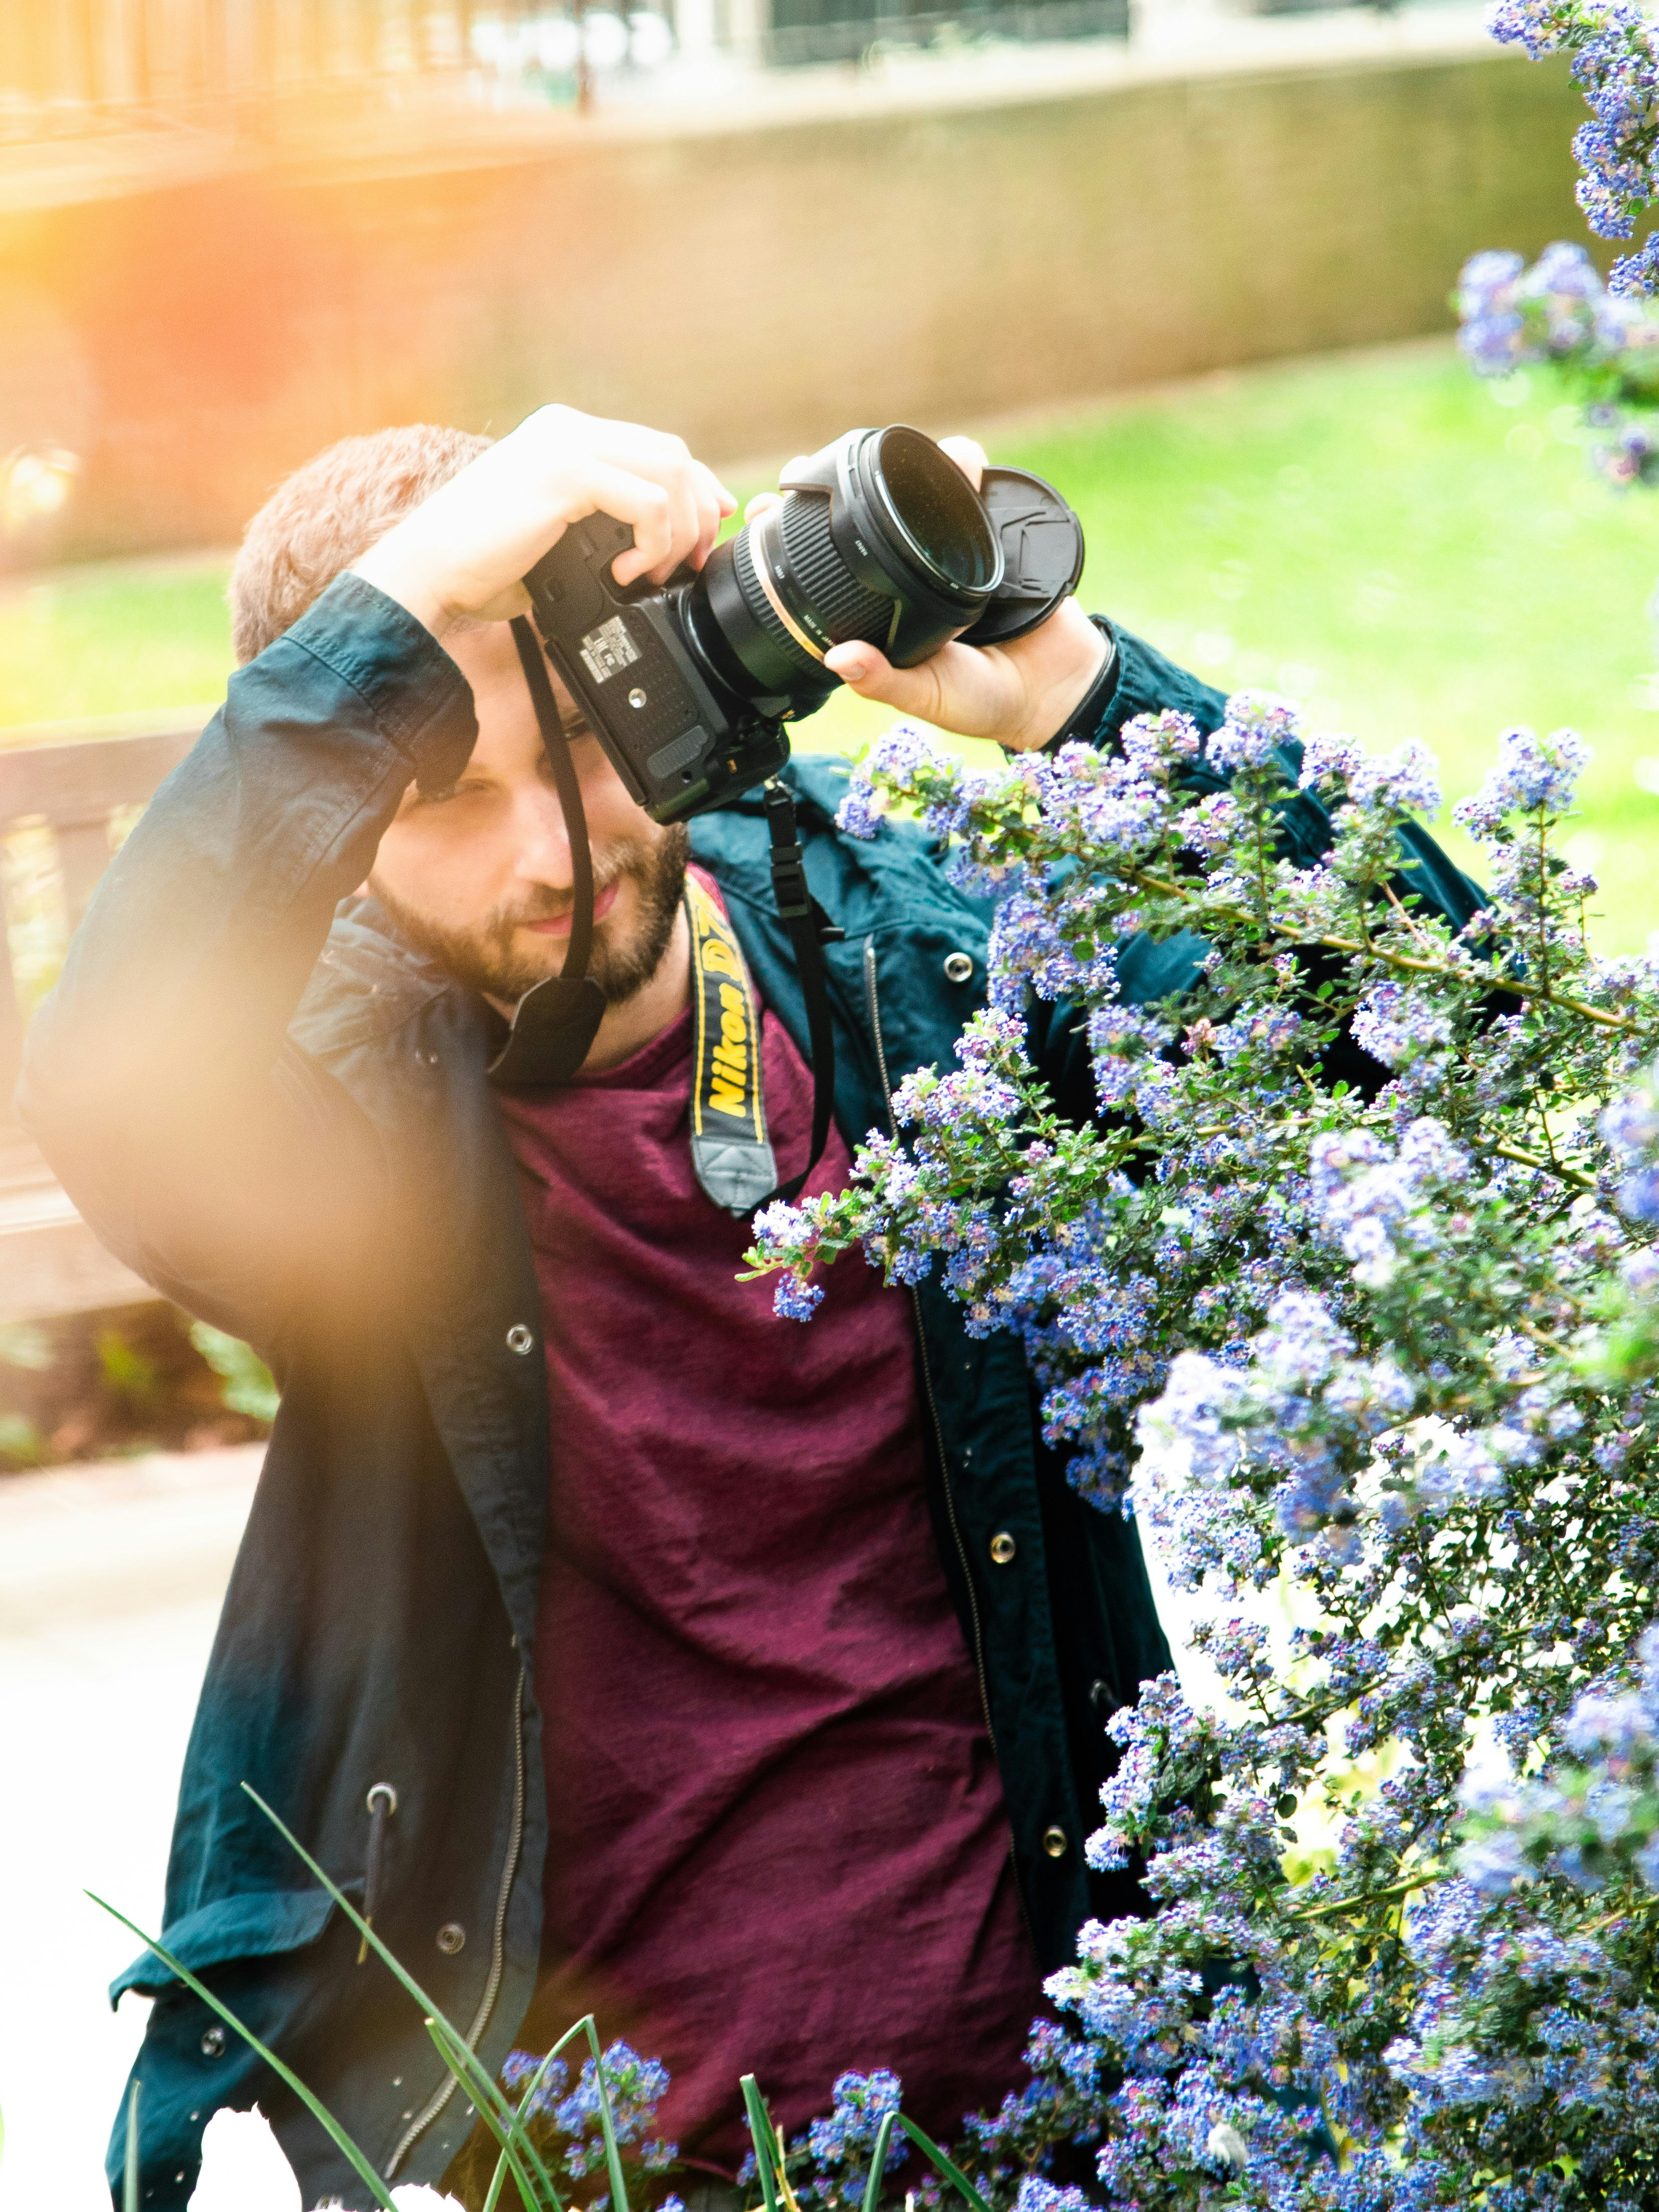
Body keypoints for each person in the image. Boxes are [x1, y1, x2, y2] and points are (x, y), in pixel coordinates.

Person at [19, 408, 1477, 2209]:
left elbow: (1428, 1027)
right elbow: (112, 1083)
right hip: (617, 2165)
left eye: (584, 740)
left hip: (1084, 2107)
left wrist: (1080, 697)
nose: (554, 846)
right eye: (446, 796)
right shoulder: (339, 1117)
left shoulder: (910, 966)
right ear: (342, 840)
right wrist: (418, 584)